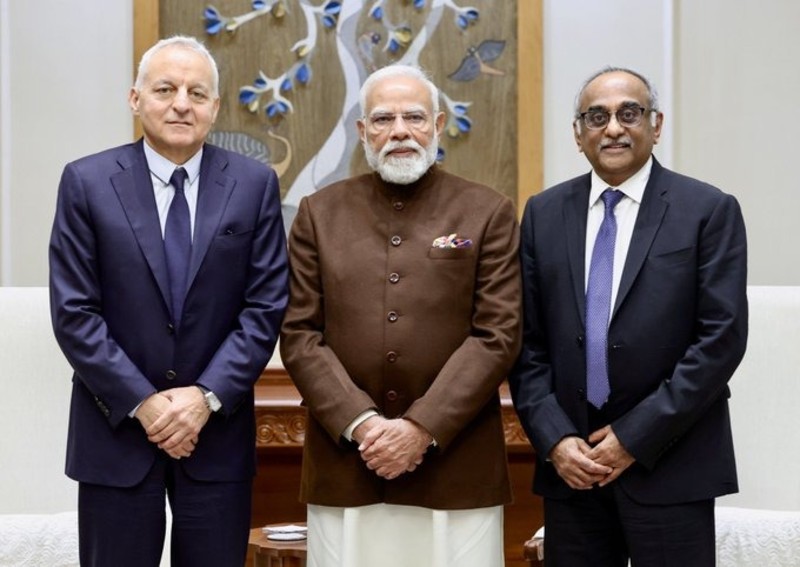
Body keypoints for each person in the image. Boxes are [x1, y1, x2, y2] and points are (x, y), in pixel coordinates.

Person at [49, 35, 288, 567]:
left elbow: (265, 307)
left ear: (215, 107)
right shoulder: (86, 182)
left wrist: (203, 399)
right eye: (165, 89)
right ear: (135, 99)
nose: (182, 103)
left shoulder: (253, 185)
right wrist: (147, 403)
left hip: (216, 435)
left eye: (197, 93)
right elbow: (74, 313)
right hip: (116, 434)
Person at [279, 64, 522, 567]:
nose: (399, 131)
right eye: (383, 119)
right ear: (362, 130)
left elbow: (497, 334)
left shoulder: (487, 211)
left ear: (438, 125)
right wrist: (363, 426)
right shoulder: (318, 213)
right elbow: (300, 334)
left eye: (414, 117)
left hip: (457, 463)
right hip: (347, 460)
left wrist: (421, 428)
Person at [508, 66, 748, 566]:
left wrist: (633, 437)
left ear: (656, 125)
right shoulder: (543, 214)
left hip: (671, 464)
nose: (613, 128)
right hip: (572, 472)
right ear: (578, 134)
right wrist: (555, 440)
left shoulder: (707, 210)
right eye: (597, 116)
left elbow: (720, 339)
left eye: (629, 113)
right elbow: (526, 343)